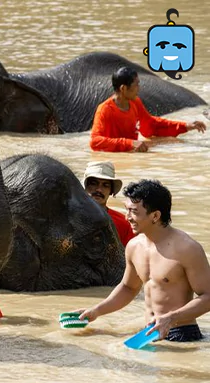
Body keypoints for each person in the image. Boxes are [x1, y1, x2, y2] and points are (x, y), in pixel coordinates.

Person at [76, 179, 210, 342]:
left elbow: (208, 296)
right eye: (126, 210)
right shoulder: (134, 246)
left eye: (133, 212)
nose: (127, 218)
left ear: (155, 216)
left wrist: (171, 317)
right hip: (147, 333)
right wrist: (96, 311)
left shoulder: (187, 249)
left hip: (181, 333)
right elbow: (128, 288)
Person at [90, 67, 206, 152]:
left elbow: (150, 125)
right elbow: (95, 142)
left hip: (134, 150)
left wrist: (186, 126)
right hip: (117, 154)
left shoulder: (135, 102)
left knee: (177, 143)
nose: (139, 88)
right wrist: (129, 143)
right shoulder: (104, 110)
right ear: (123, 88)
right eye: (136, 85)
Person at [83, 161, 135, 247]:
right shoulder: (67, 219)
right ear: (85, 187)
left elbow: (131, 256)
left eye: (105, 185)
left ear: (111, 191)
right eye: (93, 183)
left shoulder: (124, 224)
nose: (99, 190)